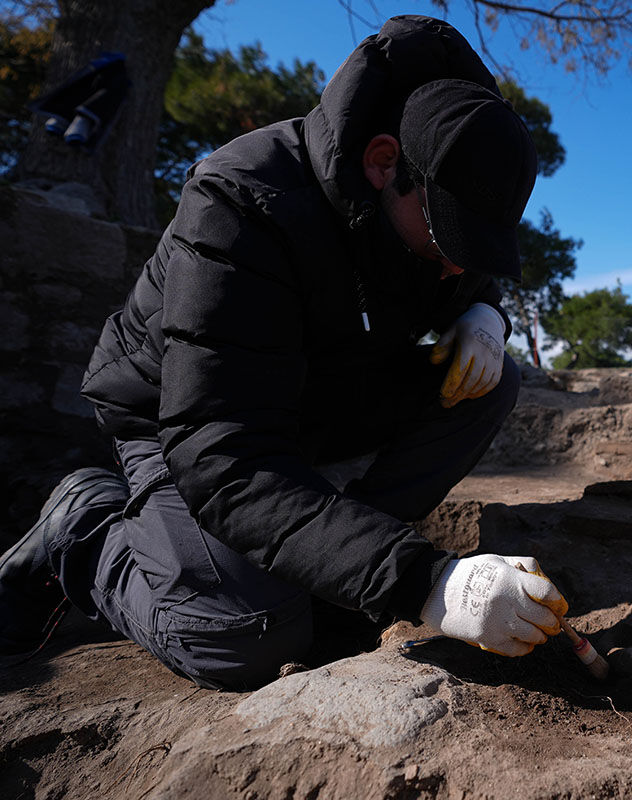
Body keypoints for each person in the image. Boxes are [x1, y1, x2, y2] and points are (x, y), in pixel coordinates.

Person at [0, 15, 568, 690]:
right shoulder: (239, 202)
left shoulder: (435, 194)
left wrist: (487, 317)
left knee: (490, 381)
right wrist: (422, 579)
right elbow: (222, 453)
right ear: (382, 161)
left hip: (312, 390)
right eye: (447, 241)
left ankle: (341, 566)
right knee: (244, 637)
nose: (456, 270)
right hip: (179, 417)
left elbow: (464, 272)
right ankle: (89, 531)